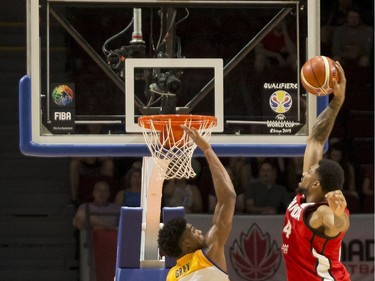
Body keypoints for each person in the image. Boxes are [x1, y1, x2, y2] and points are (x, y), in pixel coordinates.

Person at [282, 61, 351, 280]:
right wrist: (337, 101)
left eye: (311, 171)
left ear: (316, 184)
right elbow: (316, 139)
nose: (305, 170)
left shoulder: (321, 212)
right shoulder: (306, 196)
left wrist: (339, 216)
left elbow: (337, 225)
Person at [158, 125, 236, 281]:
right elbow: (228, 197)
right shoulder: (207, 255)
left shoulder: (172, 275)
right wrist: (206, 149)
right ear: (186, 243)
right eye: (193, 230)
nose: (199, 231)